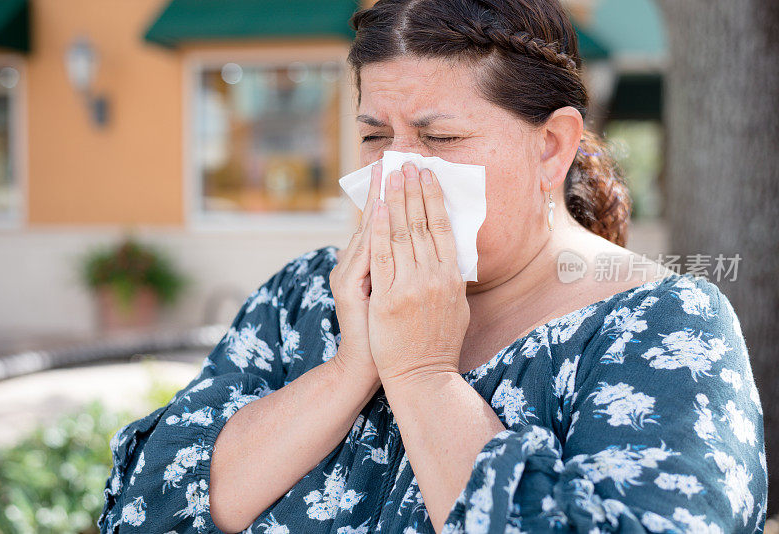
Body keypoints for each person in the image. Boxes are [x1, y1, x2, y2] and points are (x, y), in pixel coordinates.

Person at [97, 0, 767, 532]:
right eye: (374, 136)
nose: (397, 170)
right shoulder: (305, 295)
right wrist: (350, 369)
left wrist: (421, 377)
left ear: (551, 147)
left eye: (439, 138)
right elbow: (146, 506)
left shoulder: (660, 325)